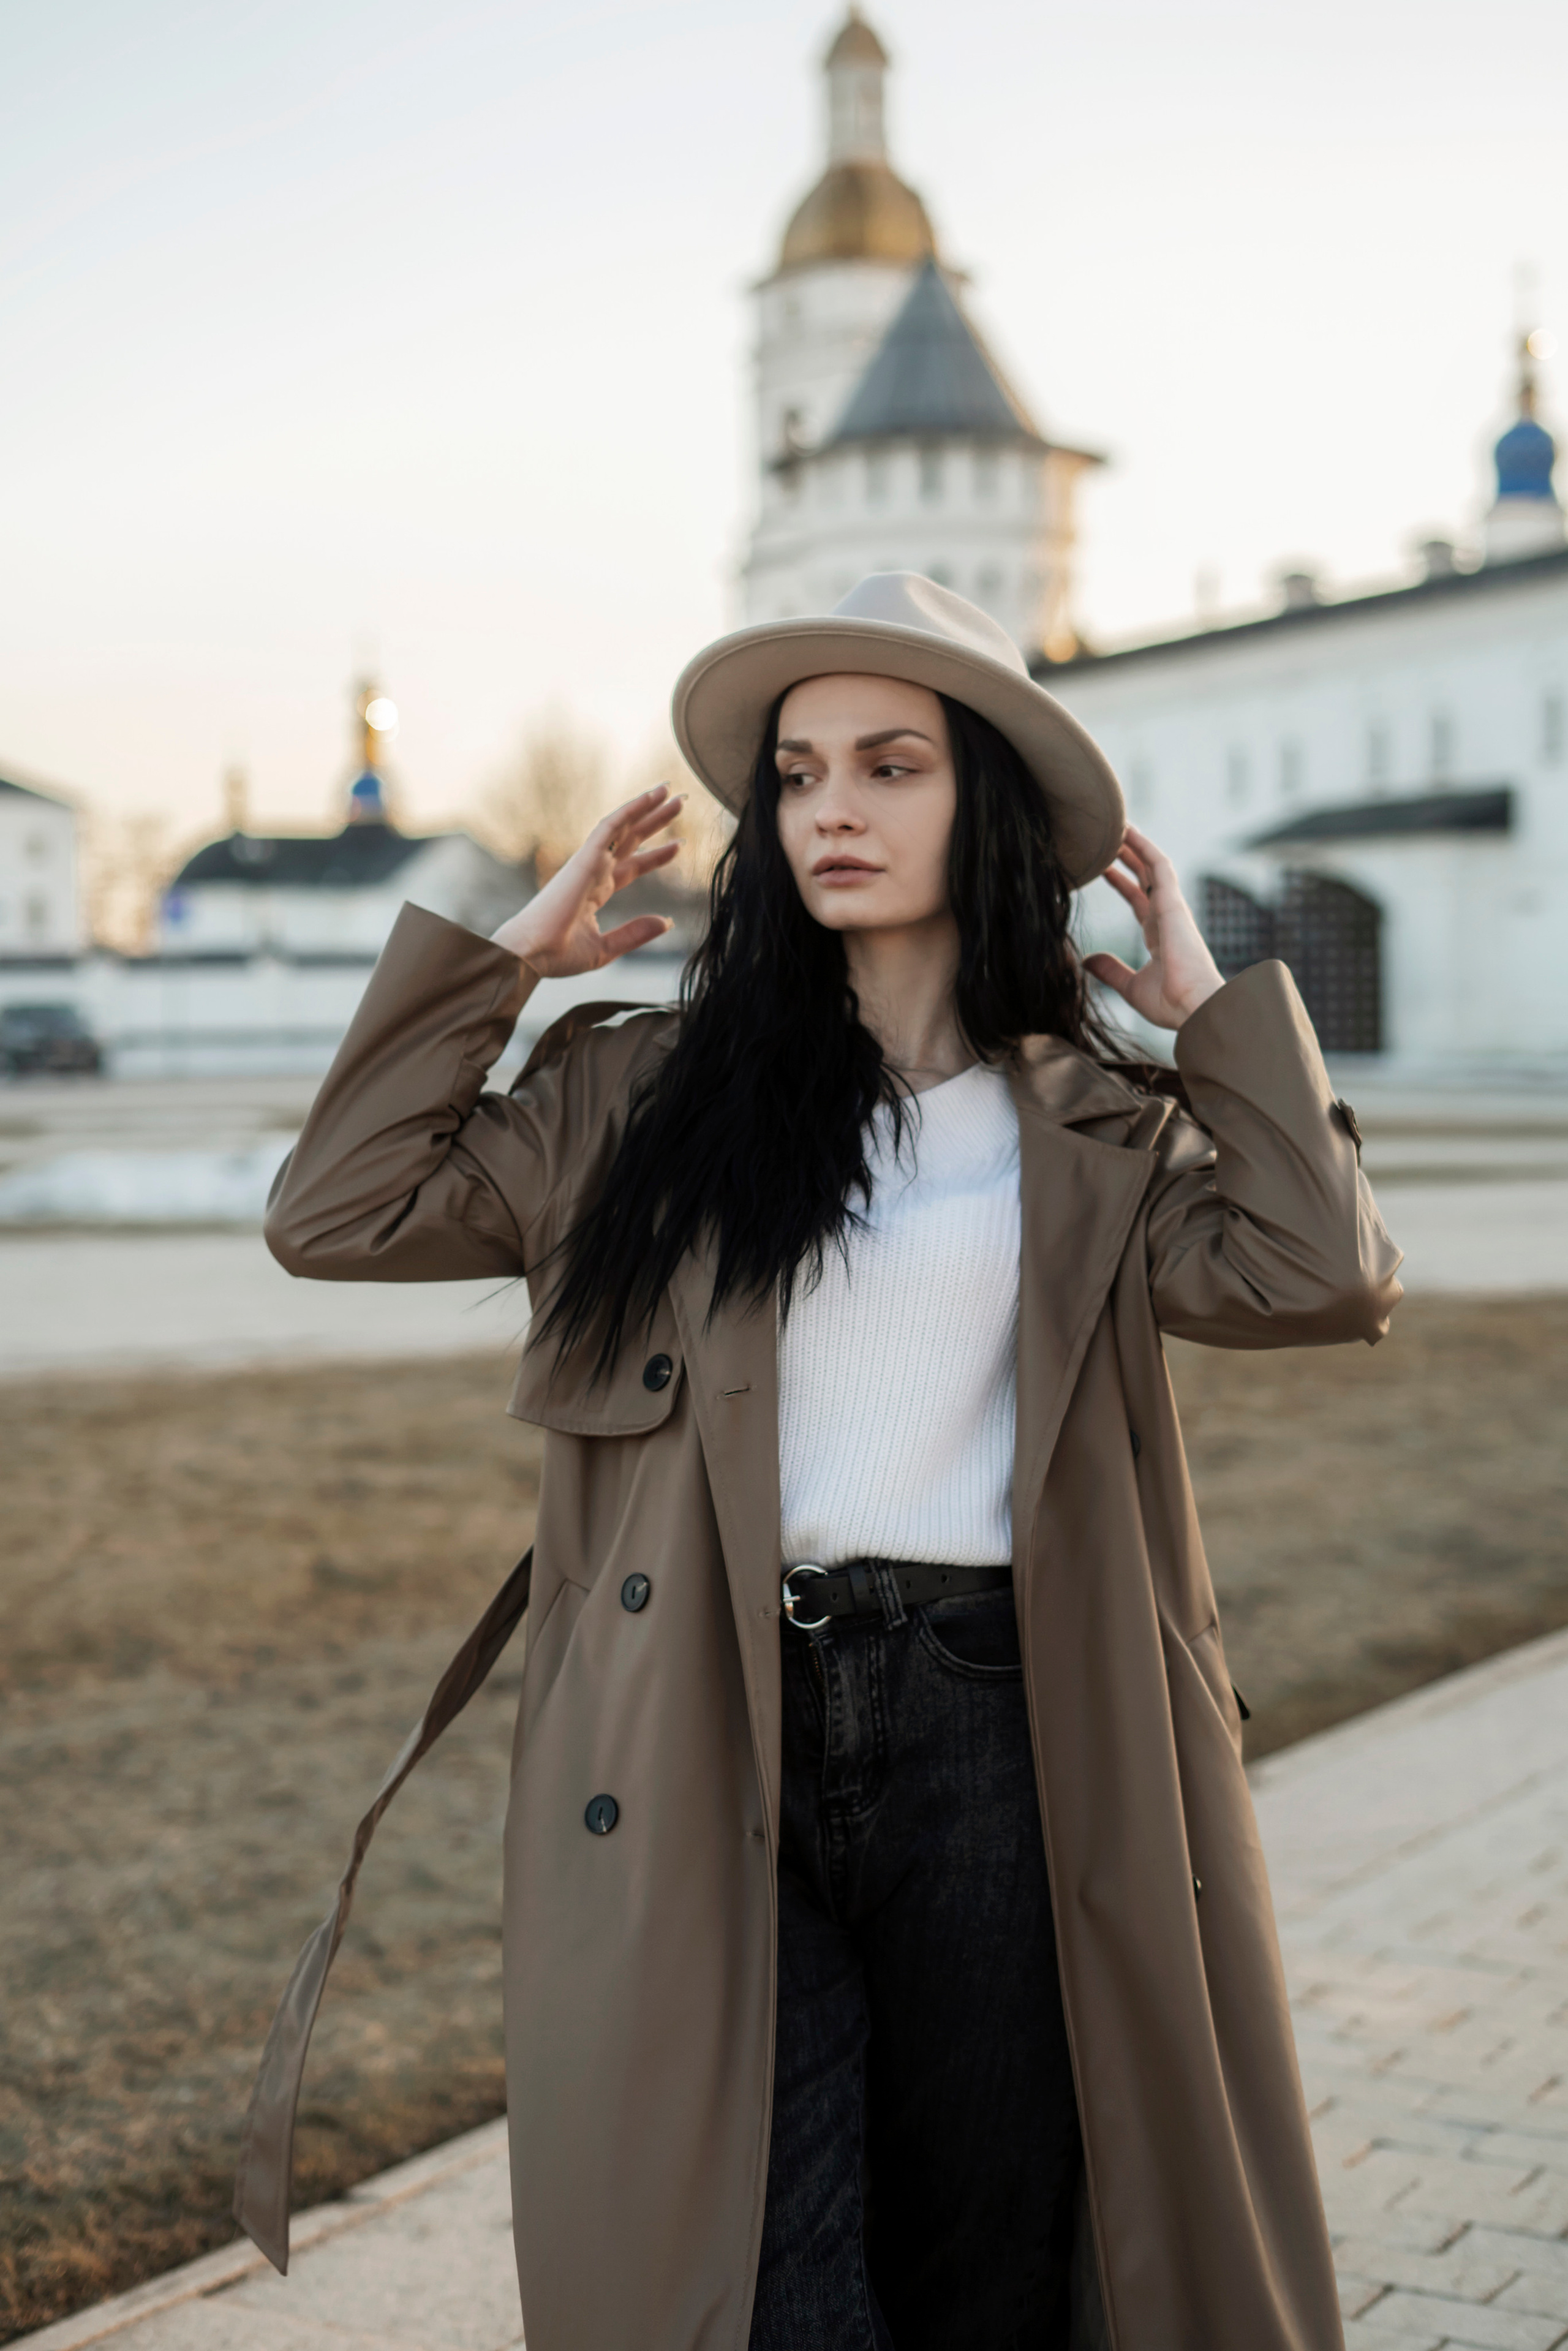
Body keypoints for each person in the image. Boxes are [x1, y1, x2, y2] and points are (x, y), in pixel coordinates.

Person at [237, 575, 1401, 2350]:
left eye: (889, 765)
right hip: (704, 1718)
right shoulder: (642, 1100)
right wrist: (502, 974)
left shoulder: (1093, 1132)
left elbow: (1323, 1277)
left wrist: (1215, 1019)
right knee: (763, 2274)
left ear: (986, 802)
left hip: (1006, 1736)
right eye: (795, 776)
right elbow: (335, 1212)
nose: (830, 810)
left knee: (986, 2263)